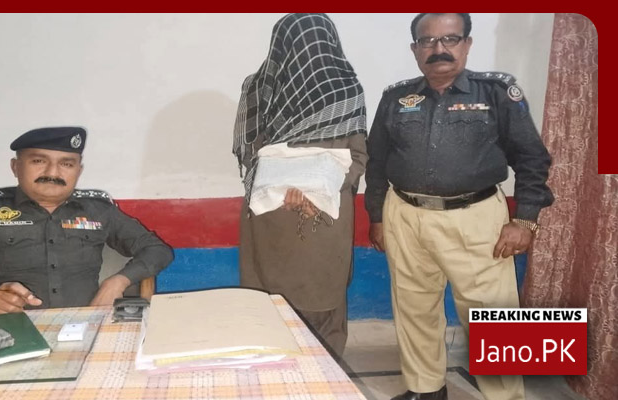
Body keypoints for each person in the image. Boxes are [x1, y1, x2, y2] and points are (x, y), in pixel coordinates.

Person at [364, 13, 554, 400]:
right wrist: (377, 215)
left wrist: (525, 220)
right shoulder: (396, 98)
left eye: (450, 39)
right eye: (428, 41)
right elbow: (377, 163)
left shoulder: (496, 92)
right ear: (415, 49)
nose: (439, 49)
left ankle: (506, 397)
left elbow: (532, 159)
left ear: (467, 44)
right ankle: (426, 389)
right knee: (414, 307)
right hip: (406, 216)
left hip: (476, 217)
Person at [0, 127, 174, 314]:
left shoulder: (98, 210)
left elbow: (157, 250)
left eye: (67, 164)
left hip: (84, 327)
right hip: (1, 330)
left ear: (78, 171)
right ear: (15, 167)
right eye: (39, 161)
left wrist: (118, 281)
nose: (53, 172)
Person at [233, 13, 368, 357]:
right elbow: (251, 154)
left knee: (322, 302)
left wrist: (321, 193)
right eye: (297, 42)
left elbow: (358, 157)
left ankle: (326, 375)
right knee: (268, 306)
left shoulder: (345, 88)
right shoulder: (258, 88)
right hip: (270, 215)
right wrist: (278, 188)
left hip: (325, 215)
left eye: (317, 40)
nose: (308, 51)